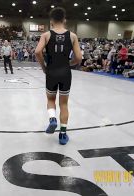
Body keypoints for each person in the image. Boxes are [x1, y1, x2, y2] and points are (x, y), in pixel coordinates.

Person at [35, 7, 82, 145]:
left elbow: (38, 52)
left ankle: (52, 119)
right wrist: (69, 63)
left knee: (50, 99)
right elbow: (79, 58)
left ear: (51, 21)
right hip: (66, 73)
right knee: (64, 104)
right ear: (64, 20)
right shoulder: (73, 36)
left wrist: (44, 67)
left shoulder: (46, 35)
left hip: (51, 72)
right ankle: (62, 135)